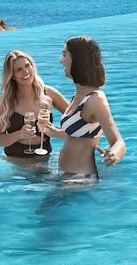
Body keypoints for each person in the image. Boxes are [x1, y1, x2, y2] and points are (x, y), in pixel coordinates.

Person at [44, 36, 126, 182]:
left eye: (64, 55)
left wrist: (114, 155)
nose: (61, 61)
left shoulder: (96, 99)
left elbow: (118, 141)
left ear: (77, 60)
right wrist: (55, 133)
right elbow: (81, 134)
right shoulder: (78, 94)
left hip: (80, 178)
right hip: (65, 174)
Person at [0, 49, 70, 161]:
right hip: (16, 163)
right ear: (12, 75)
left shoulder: (48, 93)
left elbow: (76, 119)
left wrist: (59, 133)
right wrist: (19, 134)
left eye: (27, 66)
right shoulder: (4, 103)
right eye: (19, 69)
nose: (26, 72)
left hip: (44, 159)